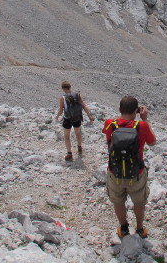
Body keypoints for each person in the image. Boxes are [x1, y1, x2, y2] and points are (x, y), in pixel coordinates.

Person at [102, 96, 157, 239]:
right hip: (136, 173)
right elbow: (152, 142)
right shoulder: (141, 126)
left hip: (115, 172)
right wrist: (144, 119)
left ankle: (124, 228)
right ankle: (139, 228)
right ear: (136, 111)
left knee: (118, 201)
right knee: (139, 202)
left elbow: (108, 137)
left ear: (119, 109)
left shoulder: (110, 124)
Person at [55, 81, 94, 161]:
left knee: (66, 136)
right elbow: (84, 105)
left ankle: (69, 153)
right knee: (78, 133)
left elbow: (61, 110)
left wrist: (57, 117)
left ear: (63, 89)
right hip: (77, 118)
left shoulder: (62, 98)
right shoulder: (78, 95)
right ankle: (79, 147)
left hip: (67, 118)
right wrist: (89, 115)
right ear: (70, 87)